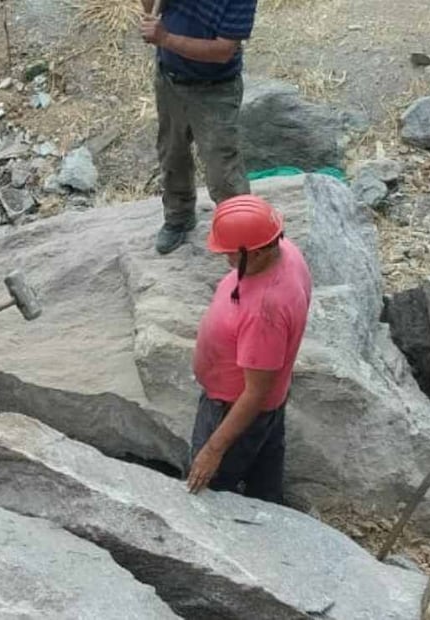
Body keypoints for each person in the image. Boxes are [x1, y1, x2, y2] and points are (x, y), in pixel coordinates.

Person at [186, 195, 312, 502]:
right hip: (269, 400)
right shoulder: (285, 250)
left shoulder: (265, 310)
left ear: (254, 252)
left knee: (212, 491)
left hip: (234, 407)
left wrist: (213, 451)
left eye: (231, 252)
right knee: (264, 470)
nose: (225, 257)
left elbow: (255, 393)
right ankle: (268, 504)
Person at [140, 0, 257, 254]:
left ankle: (242, 238)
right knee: (172, 153)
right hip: (169, 77)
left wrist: (165, 39)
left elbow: (223, 50)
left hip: (215, 90)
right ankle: (178, 217)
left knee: (222, 169)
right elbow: (152, 12)